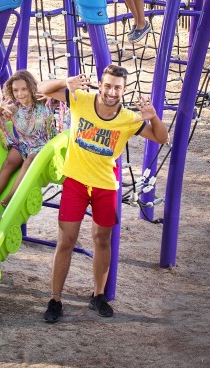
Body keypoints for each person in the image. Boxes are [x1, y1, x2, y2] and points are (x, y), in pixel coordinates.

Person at [38, 66, 169, 321]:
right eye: (107, 85)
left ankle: (98, 295)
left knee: (102, 240)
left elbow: (161, 138)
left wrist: (153, 117)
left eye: (117, 87)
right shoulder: (80, 99)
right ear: (100, 84)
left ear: (124, 90)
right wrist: (65, 81)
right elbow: (41, 88)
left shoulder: (129, 118)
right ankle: (55, 299)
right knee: (66, 240)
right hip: (75, 181)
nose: (111, 92)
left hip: (105, 186)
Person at [0, 70, 58, 210]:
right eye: (15, 90)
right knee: (8, 162)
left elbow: (65, 94)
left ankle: (10, 197)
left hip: (44, 145)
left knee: (29, 161)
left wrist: (51, 95)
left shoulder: (44, 101)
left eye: (24, 89)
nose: (20, 94)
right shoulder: (15, 108)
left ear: (31, 87)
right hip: (25, 144)